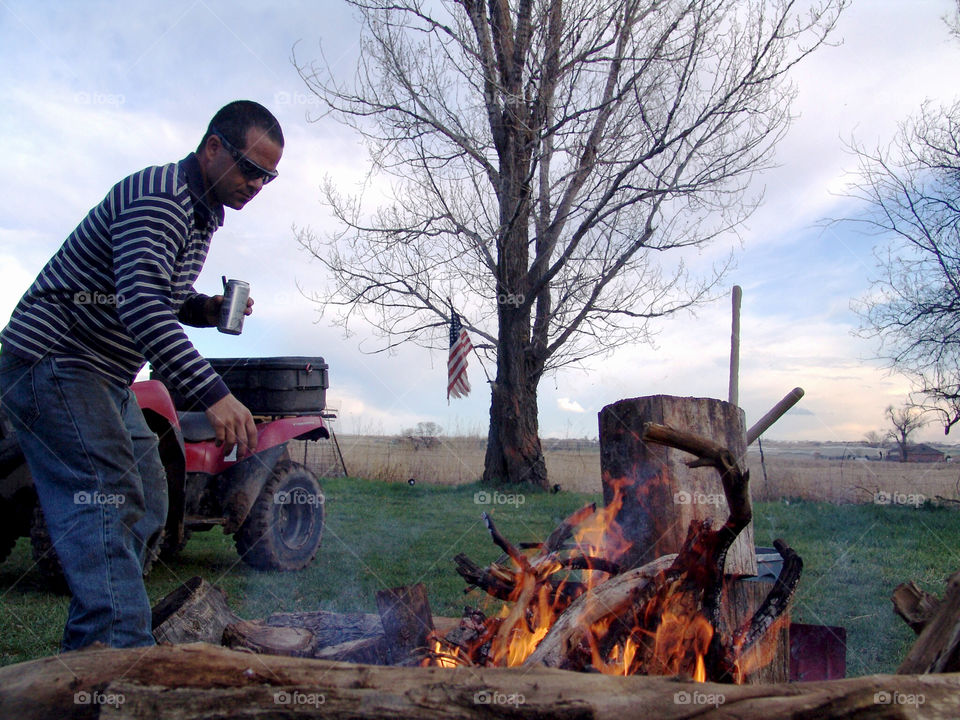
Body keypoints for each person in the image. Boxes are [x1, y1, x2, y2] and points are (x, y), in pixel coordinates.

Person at [0, 100, 283, 651]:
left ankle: (98, 644)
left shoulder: (201, 214)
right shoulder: (162, 197)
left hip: (100, 374)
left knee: (151, 495)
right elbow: (142, 307)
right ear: (212, 148)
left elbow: (160, 296)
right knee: (107, 494)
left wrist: (204, 310)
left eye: (269, 176)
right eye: (251, 168)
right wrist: (214, 394)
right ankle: (114, 660)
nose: (258, 183)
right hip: (55, 358)